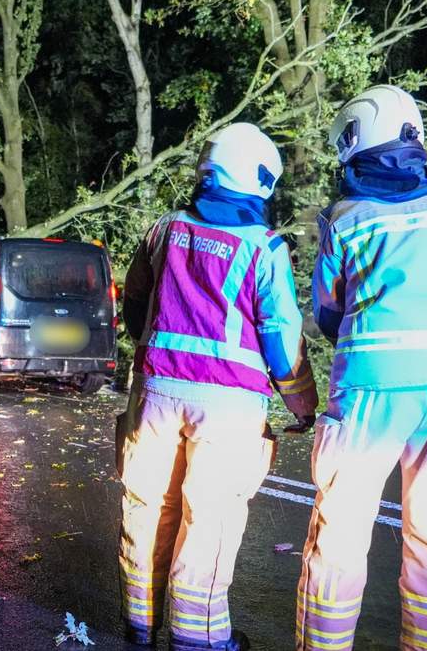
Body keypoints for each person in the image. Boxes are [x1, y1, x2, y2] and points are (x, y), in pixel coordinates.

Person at [296, 85, 427, 651]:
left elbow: (329, 310)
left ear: (354, 141)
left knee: (341, 536)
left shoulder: (344, 216)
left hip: (371, 391)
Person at [120, 122, 318, 651]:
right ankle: (199, 638)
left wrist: (149, 354)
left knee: (148, 508)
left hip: (156, 393)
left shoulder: (165, 229)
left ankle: (140, 626)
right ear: (256, 181)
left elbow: (134, 304)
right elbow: (279, 339)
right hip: (228, 407)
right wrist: (302, 404)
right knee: (207, 519)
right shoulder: (264, 247)